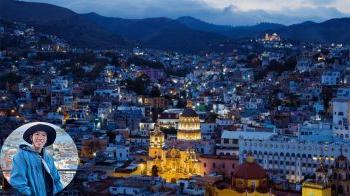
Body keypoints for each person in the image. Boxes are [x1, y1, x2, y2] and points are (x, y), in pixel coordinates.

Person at [10, 123, 63, 196]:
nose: (40, 137)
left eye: (44, 135)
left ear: (46, 139)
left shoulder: (48, 157)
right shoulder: (21, 155)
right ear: (31, 138)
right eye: (37, 134)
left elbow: (56, 179)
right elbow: (18, 184)